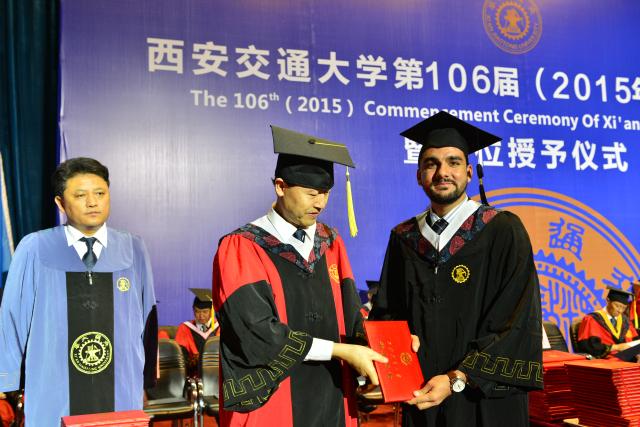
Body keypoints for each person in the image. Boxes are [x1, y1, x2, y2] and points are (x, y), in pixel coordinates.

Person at [370, 111, 543, 427]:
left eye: (453, 162)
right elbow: (387, 313)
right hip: (421, 395)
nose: (442, 172)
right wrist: (396, 352)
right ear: (419, 174)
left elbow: (518, 321)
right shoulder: (404, 238)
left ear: (469, 172)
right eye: (431, 164)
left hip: (482, 398)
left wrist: (458, 377)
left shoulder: (502, 229)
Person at [212, 126, 387, 427]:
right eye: (311, 193)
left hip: (332, 394)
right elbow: (255, 332)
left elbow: (351, 317)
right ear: (281, 187)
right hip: (273, 398)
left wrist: (385, 346)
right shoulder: (243, 246)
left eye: (326, 193)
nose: (321, 203)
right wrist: (339, 351)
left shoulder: (331, 242)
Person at [0, 157, 157, 425]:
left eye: (100, 193)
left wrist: (145, 379)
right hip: (54, 387)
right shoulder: (35, 248)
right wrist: (7, 380)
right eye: (81, 195)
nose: (93, 202)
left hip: (120, 385)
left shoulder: (133, 248)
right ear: (61, 203)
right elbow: (13, 317)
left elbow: (147, 317)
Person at [577, 286, 640, 359]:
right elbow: (588, 346)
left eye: (623, 308)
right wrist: (616, 347)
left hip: (627, 358)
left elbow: (635, 340)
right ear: (608, 300)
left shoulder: (625, 321)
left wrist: (637, 353)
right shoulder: (592, 319)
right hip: (605, 359)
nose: (620, 311)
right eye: (617, 306)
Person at [175, 288, 220, 376]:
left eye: (205, 312)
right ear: (193, 310)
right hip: (193, 374)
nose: (201, 316)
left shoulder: (219, 327)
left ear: (211, 311)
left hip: (215, 374)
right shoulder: (185, 328)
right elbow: (181, 355)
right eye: (197, 311)